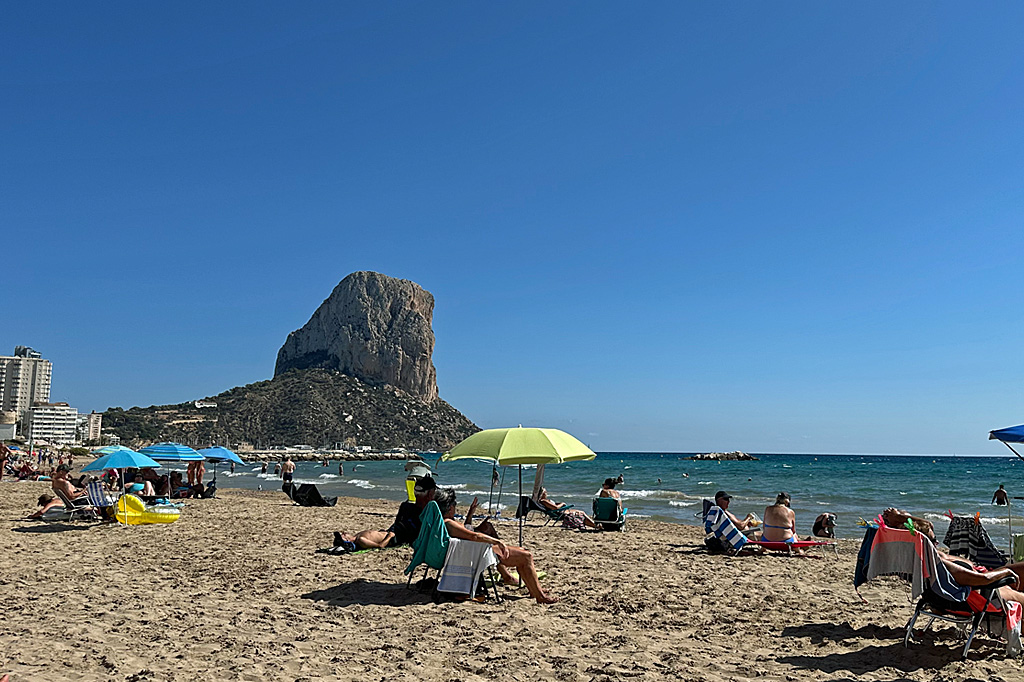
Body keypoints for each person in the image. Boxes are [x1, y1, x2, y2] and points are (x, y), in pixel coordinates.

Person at [434, 488, 558, 604]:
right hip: (479, 553)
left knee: (522, 551)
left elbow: (466, 532)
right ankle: (540, 596)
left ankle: (534, 590)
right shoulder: (449, 523)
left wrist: (471, 513)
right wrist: (497, 542)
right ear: (450, 508)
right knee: (526, 556)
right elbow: (474, 536)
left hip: (474, 551)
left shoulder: (445, 523)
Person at [389, 476, 437, 545]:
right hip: (399, 538)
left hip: (395, 536)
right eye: (434, 491)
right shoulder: (429, 513)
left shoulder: (405, 507)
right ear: (430, 494)